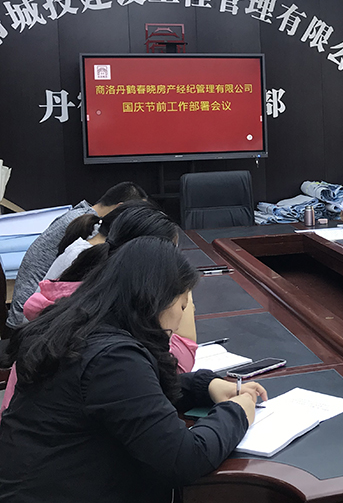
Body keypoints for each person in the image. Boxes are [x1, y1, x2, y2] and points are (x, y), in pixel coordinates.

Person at [0, 237, 266, 503]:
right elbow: (184, 458)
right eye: (183, 306)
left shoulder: (79, 329)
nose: (179, 320)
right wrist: (237, 413)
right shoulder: (112, 358)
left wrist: (203, 386)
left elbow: (128, 399)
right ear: (158, 299)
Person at [4, 206, 199, 414]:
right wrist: (181, 292)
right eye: (172, 259)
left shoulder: (87, 288)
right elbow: (174, 371)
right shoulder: (108, 322)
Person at [7, 181, 148, 329]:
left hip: (31, 310)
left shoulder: (80, 216)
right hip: (30, 318)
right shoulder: (92, 231)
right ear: (120, 208)